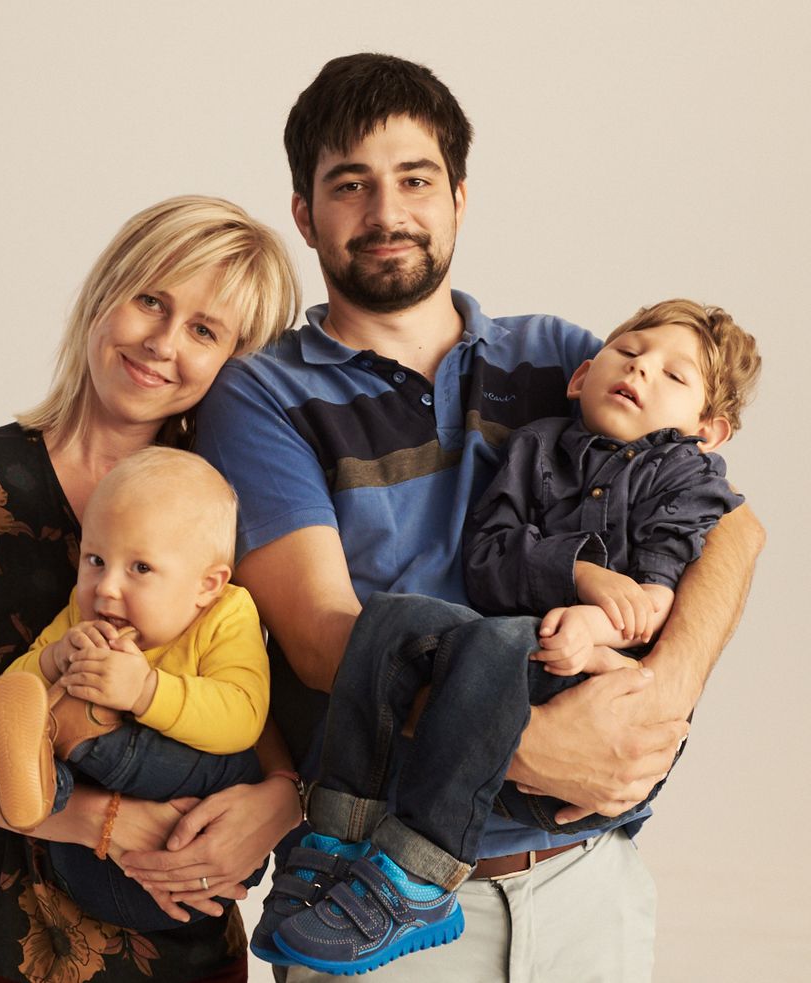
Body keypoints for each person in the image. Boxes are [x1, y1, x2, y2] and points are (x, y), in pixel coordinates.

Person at [184, 55, 764, 982]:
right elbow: (325, 638)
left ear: (459, 197)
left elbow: (729, 526)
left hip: (585, 878)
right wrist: (529, 746)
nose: (387, 212)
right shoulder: (262, 395)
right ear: (305, 213)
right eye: (350, 185)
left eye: (415, 179)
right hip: (371, 893)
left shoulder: (563, 358)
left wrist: (665, 690)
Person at [259, 300, 760, 974]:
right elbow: (489, 557)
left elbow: (661, 590)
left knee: (497, 642)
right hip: (513, 645)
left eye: (674, 376)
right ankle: (338, 833)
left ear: (708, 431)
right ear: (581, 375)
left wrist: (602, 627)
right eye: (630, 352)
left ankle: (422, 872)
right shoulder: (536, 446)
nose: (641, 370)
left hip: (592, 682)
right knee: (389, 620)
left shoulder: (686, 479)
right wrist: (577, 573)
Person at [0, 195, 302, 982]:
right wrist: (96, 820)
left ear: (235, 363)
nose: (162, 343)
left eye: (204, 331)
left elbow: (249, 685)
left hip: (178, 940)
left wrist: (283, 797)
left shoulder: (231, 509)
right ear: (106, 291)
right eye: (151, 300)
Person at [0, 446, 270, 931]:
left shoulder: (226, 614)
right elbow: (15, 697)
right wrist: (53, 659)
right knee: (35, 723)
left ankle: (72, 736)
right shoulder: (83, 618)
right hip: (94, 869)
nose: (106, 588)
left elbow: (243, 718)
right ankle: (45, 778)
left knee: (237, 761)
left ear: (207, 585)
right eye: (95, 560)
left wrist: (145, 691)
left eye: (140, 568)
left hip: (202, 839)